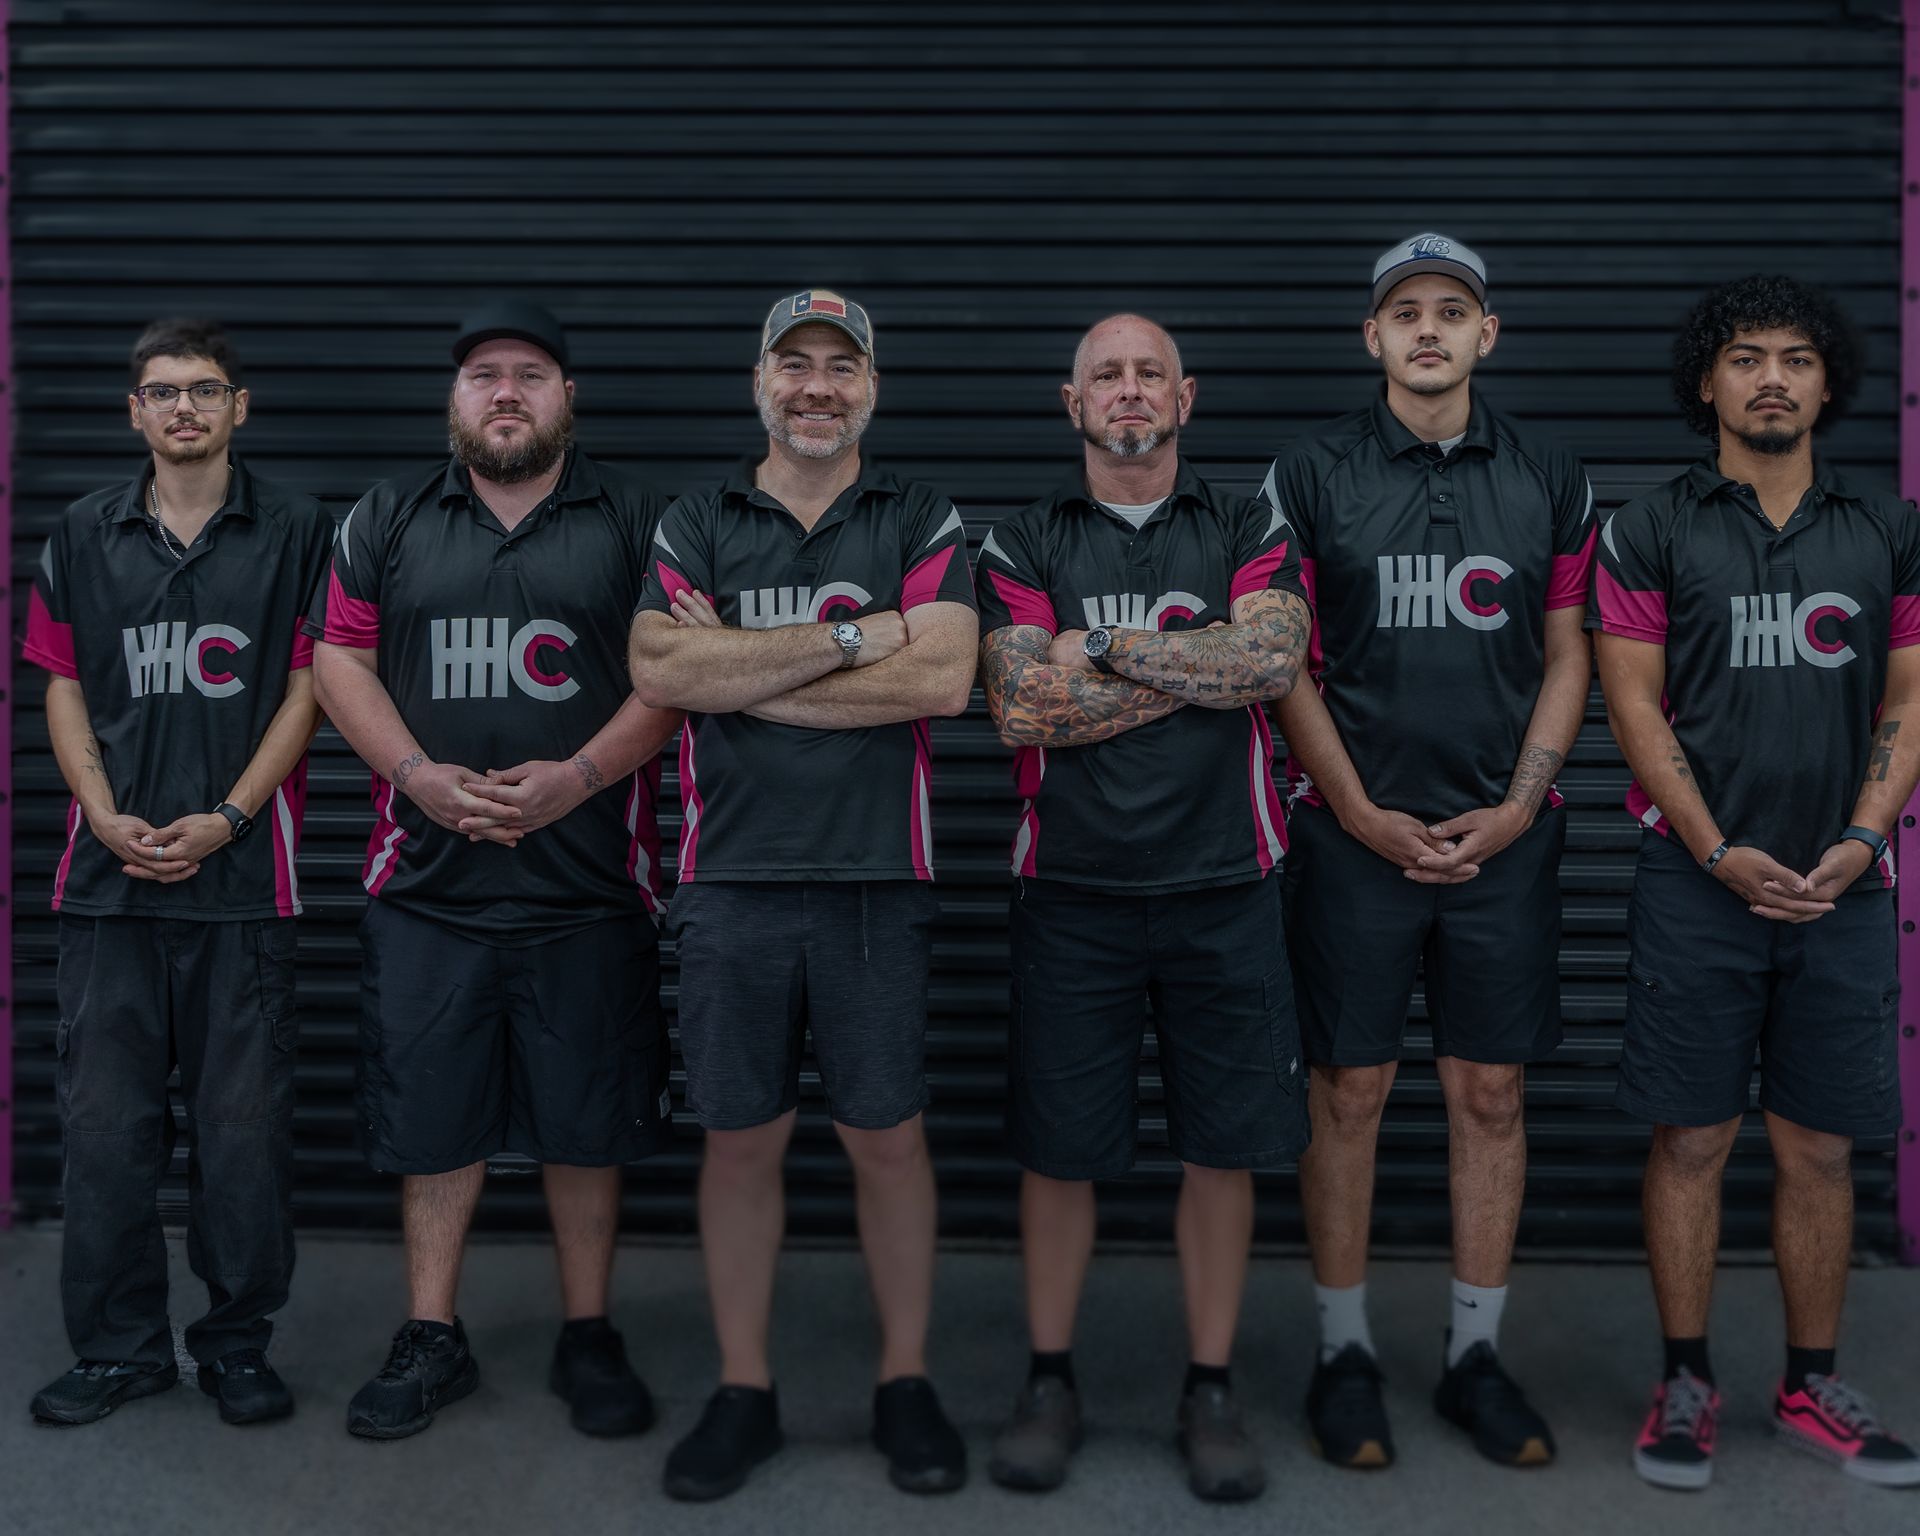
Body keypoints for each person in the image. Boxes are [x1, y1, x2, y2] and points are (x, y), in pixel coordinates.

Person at [628, 289, 978, 1500]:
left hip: (878, 877)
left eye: (841, 365)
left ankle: (905, 1381)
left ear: (870, 385)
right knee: (739, 1141)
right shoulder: (696, 518)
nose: (817, 385)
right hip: (729, 881)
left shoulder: (919, 513)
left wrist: (742, 671)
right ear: (760, 382)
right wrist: (847, 641)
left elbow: (940, 680)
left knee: (887, 1140)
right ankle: (744, 1389)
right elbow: (661, 665)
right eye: (796, 364)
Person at [308, 303, 679, 1441]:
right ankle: (432, 1332)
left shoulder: (633, 518)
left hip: (587, 880)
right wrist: (417, 774)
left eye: (530, 373)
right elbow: (337, 658)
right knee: (433, 1123)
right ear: (454, 399)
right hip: (427, 883)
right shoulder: (387, 516)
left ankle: (586, 1329)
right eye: (483, 375)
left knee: (584, 1120)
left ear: (568, 397)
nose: (505, 391)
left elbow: (672, 677)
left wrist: (576, 776)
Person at [1265, 234, 1595, 1469]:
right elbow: (1284, 656)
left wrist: (1517, 804)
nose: (1428, 329)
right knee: (1346, 1096)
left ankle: (1473, 1357)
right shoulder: (1308, 472)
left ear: (1486, 335)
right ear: (1372, 337)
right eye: (1405, 311)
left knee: (1489, 1094)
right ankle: (1343, 1352)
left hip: (1504, 839)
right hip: (1354, 837)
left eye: (1452, 310)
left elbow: (1570, 654)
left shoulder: (1551, 474)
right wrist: (1354, 809)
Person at [973, 313, 1312, 1502]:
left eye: (1148, 374)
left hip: (1229, 885)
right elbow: (1021, 706)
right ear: (1072, 404)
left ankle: (1209, 1387)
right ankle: (1050, 1378)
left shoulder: (1246, 521)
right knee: (1061, 1158)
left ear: (1186, 397)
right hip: (1071, 892)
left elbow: (1270, 663)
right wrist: (1189, 659)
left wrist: (1098, 648)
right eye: (1106, 375)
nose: (1128, 391)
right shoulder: (1020, 536)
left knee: (1224, 1154)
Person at [1592, 274, 1920, 1491]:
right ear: (1707, 382)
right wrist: (1718, 848)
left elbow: (1911, 698)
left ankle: (1808, 1380)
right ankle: (1685, 1378)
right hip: (1695, 884)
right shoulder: (1650, 527)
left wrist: (1864, 838)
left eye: (1794, 357)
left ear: (1829, 381)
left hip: (1847, 886)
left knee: (1822, 1151)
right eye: (1744, 357)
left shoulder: (1892, 531)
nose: (1770, 376)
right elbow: (1629, 702)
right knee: (1691, 1141)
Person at [24, 319, 333, 1427]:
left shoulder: (300, 532)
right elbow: (60, 683)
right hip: (106, 890)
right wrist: (102, 814)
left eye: (205, 390)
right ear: (136, 414)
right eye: (163, 392)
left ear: (239, 408)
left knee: (240, 1135)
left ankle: (236, 1345)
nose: (184, 408)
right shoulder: (78, 534)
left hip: (242, 888)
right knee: (106, 1133)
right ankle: (119, 1350)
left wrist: (230, 816)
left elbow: (310, 687)